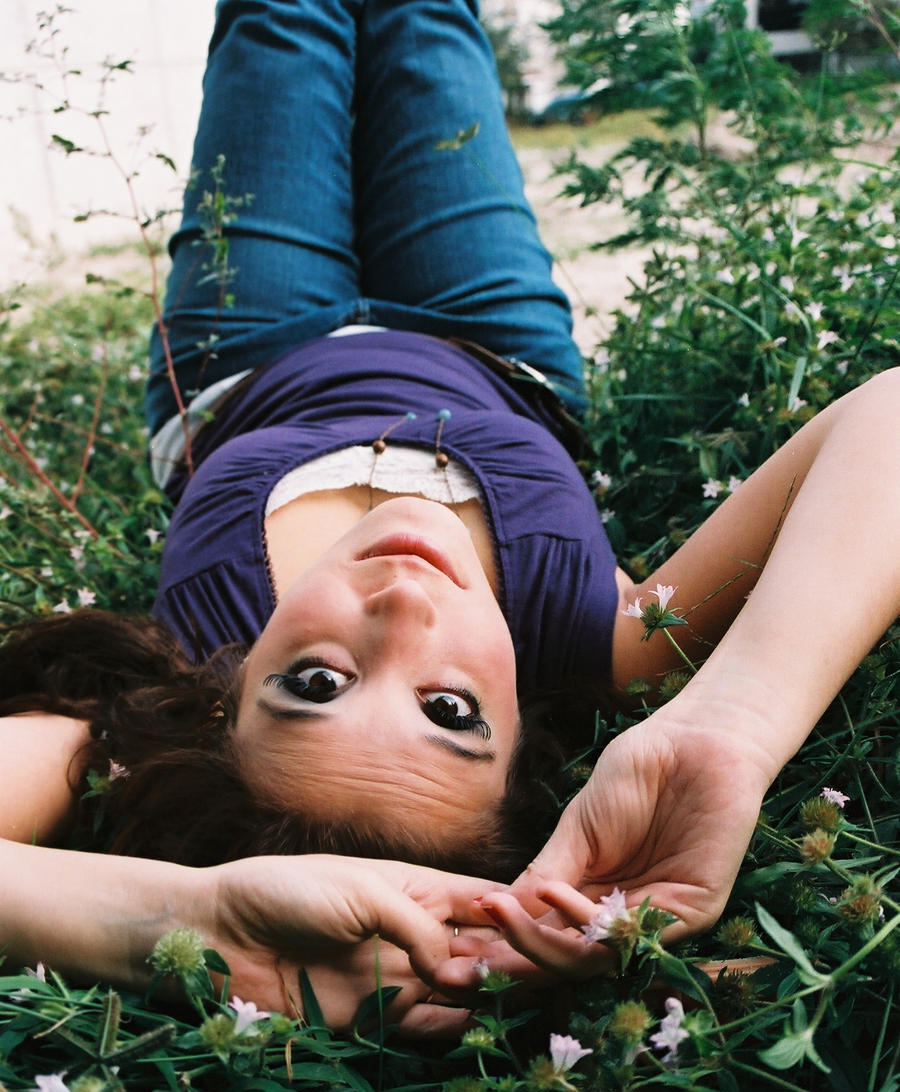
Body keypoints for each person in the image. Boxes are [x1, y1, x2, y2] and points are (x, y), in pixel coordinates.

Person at [2, 0, 899, 1030]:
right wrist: (731, 728)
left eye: (314, 682)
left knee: (283, 20)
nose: (402, 611)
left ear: (225, 702)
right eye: (451, 713)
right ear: (528, 745)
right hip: (489, 339)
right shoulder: (595, 633)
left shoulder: (173, 690)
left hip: (245, 347)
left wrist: (188, 921)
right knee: (429, 17)